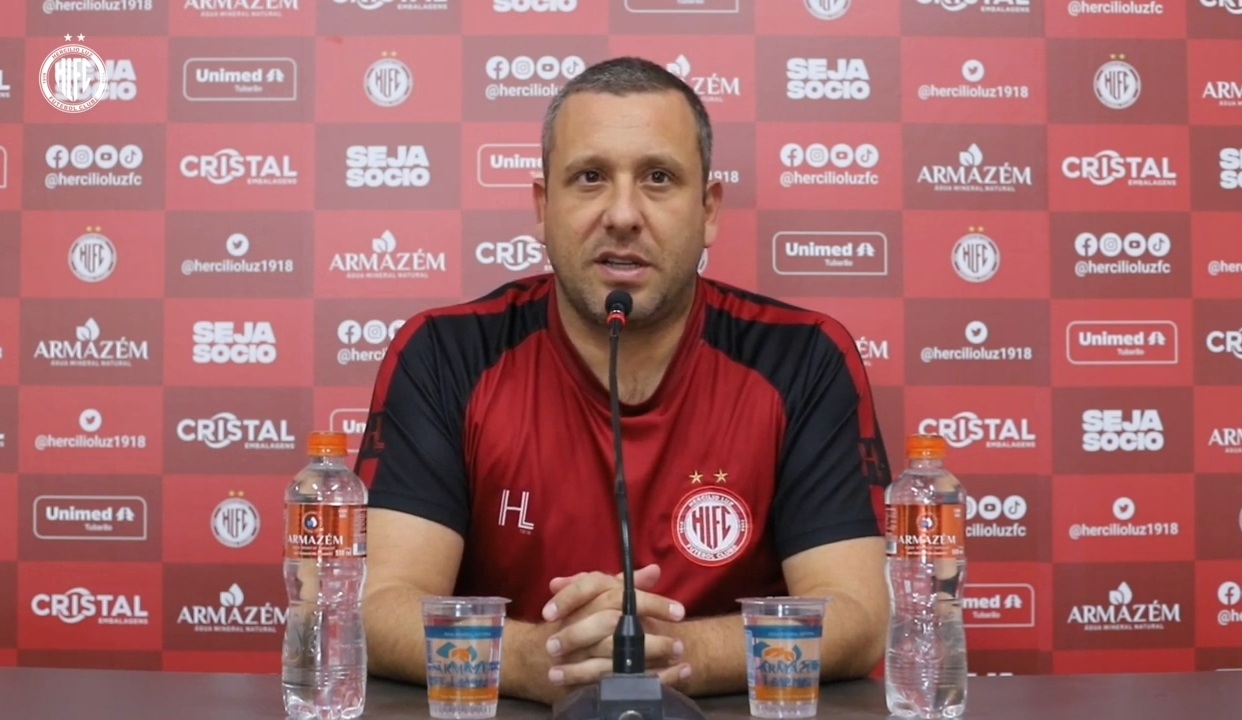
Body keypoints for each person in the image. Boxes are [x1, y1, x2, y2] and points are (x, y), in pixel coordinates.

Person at [354, 56, 893, 707]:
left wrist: (672, 653)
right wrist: (531, 658)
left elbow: (857, 616)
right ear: (543, 207)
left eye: (658, 178)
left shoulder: (802, 357)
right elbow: (379, 605)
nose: (622, 214)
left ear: (709, 210)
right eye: (590, 178)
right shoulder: (445, 354)